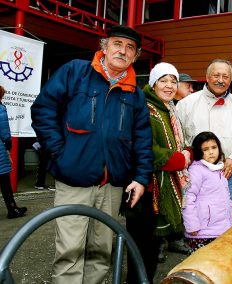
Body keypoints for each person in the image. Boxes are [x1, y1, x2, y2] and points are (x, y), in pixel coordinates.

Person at [30, 25, 153, 284]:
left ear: (136, 55)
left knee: (101, 254)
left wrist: (141, 178)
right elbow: (43, 110)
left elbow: (142, 139)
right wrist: (60, 153)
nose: (123, 50)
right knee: (69, 252)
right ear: (104, 46)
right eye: (117, 44)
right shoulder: (75, 71)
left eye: (130, 47)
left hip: (112, 186)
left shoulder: (136, 94)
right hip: (74, 180)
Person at [125, 62, 192, 282]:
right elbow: (144, 148)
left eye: (173, 81)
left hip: (159, 186)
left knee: (151, 249)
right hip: (145, 188)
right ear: (153, 84)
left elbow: (174, 143)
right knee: (141, 247)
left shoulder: (168, 109)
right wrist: (178, 159)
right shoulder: (145, 108)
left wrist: (186, 152)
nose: (169, 85)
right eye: (163, 80)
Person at [176, 59, 232, 221]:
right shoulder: (186, 104)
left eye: (225, 76)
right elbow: (177, 139)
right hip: (195, 176)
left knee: (227, 222)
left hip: (228, 175)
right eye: (216, 75)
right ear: (207, 77)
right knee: (196, 222)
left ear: (231, 80)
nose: (220, 80)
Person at [183, 131, 232, 253]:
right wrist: (191, 225)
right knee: (200, 267)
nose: (211, 152)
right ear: (199, 151)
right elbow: (188, 197)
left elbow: (226, 198)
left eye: (214, 147)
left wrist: (231, 221)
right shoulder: (196, 170)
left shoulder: (219, 169)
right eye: (205, 149)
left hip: (221, 230)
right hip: (202, 233)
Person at [0, 85, 27, 219]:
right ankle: (12, 209)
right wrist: (8, 148)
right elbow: (5, 134)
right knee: (5, 183)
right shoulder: (0, 109)